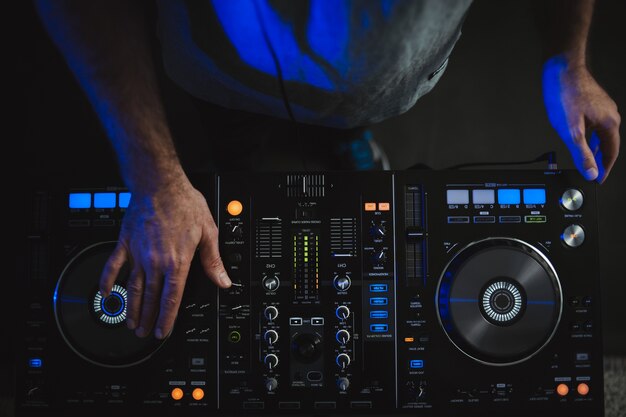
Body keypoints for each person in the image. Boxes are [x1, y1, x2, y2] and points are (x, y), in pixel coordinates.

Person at [34, 1, 620, 341]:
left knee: (347, 119)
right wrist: (155, 178)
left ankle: (346, 136)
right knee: (234, 134)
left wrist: (570, 57)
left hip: (382, 83)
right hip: (221, 71)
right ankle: (243, 161)